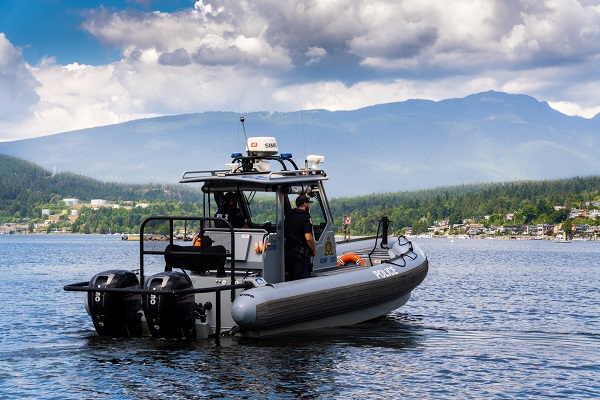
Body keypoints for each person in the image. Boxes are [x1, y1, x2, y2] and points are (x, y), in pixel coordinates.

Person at [284, 194, 317, 280]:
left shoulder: (289, 216)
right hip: (300, 254)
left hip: (288, 252)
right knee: (301, 280)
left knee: (291, 278)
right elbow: (308, 237)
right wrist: (314, 250)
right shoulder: (306, 218)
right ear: (305, 204)